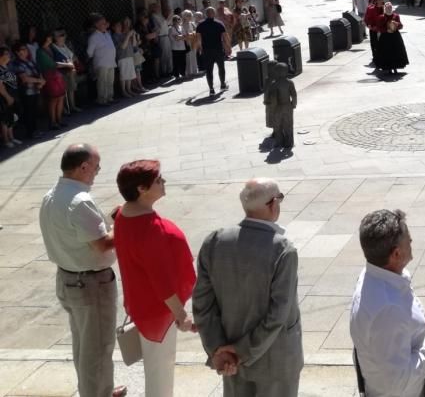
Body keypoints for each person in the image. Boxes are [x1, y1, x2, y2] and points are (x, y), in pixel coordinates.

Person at [192, 179, 302, 396]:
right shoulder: (282, 250)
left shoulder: (215, 241)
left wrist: (218, 350)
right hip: (276, 360)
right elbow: (277, 315)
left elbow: (202, 304)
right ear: (272, 205)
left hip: (230, 359)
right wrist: (242, 351)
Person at [39, 144, 127, 397]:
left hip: (68, 279)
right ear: (83, 166)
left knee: (84, 345)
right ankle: (97, 392)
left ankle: (99, 389)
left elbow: (82, 232)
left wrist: (110, 219)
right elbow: (102, 244)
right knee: (98, 347)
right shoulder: (80, 201)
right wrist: (125, 221)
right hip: (90, 284)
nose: (97, 172)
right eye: (96, 167)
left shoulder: (52, 195)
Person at [113, 160, 196, 397]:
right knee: (160, 373)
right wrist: (182, 316)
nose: (164, 182)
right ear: (141, 188)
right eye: (158, 180)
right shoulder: (149, 229)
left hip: (141, 303)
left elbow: (114, 214)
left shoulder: (124, 213)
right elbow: (162, 283)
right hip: (158, 311)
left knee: (156, 368)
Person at [350, 209, 425, 397]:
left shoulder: (372, 276)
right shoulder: (388, 308)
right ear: (396, 254)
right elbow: (398, 383)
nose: (412, 242)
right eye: (409, 240)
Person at [11, 41, 44, 137]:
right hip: (25, 91)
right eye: (23, 49)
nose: (26, 51)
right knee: (28, 112)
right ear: (17, 52)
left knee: (34, 111)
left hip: (35, 89)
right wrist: (38, 80)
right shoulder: (16, 63)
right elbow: (24, 78)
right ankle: (30, 132)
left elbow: (38, 72)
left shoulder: (30, 61)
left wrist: (41, 82)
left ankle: (35, 130)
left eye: (26, 49)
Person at [196, 7, 231, 96]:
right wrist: (228, 47)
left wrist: (200, 48)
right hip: (218, 49)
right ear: (214, 13)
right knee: (221, 67)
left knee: (209, 70)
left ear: (206, 14)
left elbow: (198, 38)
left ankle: (211, 89)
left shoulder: (200, 25)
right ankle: (222, 84)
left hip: (207, 50)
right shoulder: (219, 23)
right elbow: (224, 36)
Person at [36, 31, 67, 130]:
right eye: (48, 37)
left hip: (57, 75)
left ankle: (59, 120)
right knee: (53, 99)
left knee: (61, 97)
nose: (50, 38)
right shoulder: (40, 51)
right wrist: (66, 65)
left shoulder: (50, 48)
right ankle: (53, 122)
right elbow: (51, 64)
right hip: (49, 76)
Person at [85, 13, 116, 106]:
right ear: (96, 25)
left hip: (111, 61)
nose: (105, 24)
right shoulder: (94, 37)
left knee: (110, 81)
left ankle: (110, 97)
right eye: (102, 23)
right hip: (101, 63)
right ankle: (102, 100)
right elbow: (89, 52)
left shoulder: (107, 33)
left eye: (105, 22)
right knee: (102, 82)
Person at [52, 30, 81, 115]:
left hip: (70, 71)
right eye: (61, 35)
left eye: (64, 35)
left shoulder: (64, 46)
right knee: (63, 91)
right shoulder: (53, 47)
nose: (64, 37)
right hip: (61, 72)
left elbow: (72, 56)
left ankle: (72, 106)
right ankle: (64, 109)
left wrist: (73, 62)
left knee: (71, 89)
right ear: (55, 38)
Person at [376, 2, 409, 74]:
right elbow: (379, 28)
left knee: (396, 51)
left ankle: (395, 67)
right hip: (385, 37)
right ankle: (389, 68)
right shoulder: (381, 17)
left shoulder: (396, 16)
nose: (389, 9)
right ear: (385, 8)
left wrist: (397, 24)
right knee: (387, 52)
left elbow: (401, 26)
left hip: (395, 36)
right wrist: (386, 30)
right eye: (387, 8)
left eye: (390, 8)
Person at [0, 47, 20, 148]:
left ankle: (11, 137)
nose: (9, 56)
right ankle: (6, 140)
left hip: (12, 96)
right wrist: (8, 97)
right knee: (5, 120)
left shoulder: (6, 67)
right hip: (4, 98)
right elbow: (0, 86)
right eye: (6, 54)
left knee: (12, 118)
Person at [365, 0, 386, 64]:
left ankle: (382, 56)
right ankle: (375, 57)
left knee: (383, 44)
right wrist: (369, 25)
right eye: (379, 0)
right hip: (374, 29)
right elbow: (367, 18)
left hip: (383, 30)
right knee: (374, 44)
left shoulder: (385, 8)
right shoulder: (371, 9)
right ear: (376, 1)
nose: (380, 1)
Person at [169, 15, 188, 81]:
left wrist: (180, 37)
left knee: (183, 61)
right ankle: (176, 75)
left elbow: (185, 37)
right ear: (174, 21)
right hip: (175, 48)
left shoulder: (181, 27)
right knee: (176, 62)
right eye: (177, 20)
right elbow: (175, 38)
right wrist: (181, 37)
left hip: (182, 47)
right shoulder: (171, 28)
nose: (178, 21)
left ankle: (183, 73)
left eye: (179, 19)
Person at [182, 10, 200, 77]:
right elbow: (184, 34)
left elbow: (195, 30)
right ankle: (189, 72)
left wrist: (193, 34)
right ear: (184, 16)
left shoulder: (191, 23)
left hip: (193, 41)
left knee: (194, 56)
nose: (190, 16)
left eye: (190, 15)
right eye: (188, 15)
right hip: (188, 41)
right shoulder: (183, 24)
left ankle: (195, 71)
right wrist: (187, 41)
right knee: (188, 57)